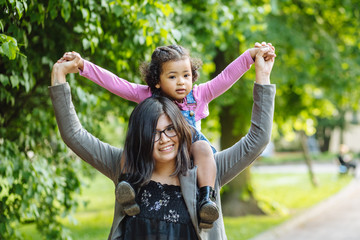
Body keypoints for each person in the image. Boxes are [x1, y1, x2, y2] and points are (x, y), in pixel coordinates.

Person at [50, 46, 276, 239]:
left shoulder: (206, 170)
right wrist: (61, 77)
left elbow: (258, 139)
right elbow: (74, 134)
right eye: (154, 132)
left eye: (170, 129)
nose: (164, 139)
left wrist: (262, 75)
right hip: (132, 169)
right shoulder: (123, 163)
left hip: (199, 157)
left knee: (202, 147)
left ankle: (207, 199)